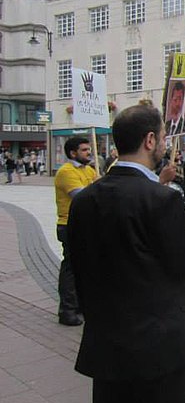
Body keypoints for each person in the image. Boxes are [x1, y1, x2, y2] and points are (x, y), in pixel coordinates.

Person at [66, 104, 185, 403]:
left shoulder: (85, 200)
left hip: (108, 348)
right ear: (149, 140)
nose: (166, 144)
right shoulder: (162, 200)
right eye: (163, 137)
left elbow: (81, 265)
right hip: (159, 352)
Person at [53, 136, 98, 326]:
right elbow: (81, 196)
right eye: (85, 150)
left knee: (85, 267)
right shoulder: (66, 171)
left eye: (89, 149)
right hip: (69, 224)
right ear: (73, 153)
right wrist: (99, 187)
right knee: (71, 268)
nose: (89, 153)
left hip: (86, 224)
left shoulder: (89, 170)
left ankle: (79, 304)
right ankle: (67, 310)